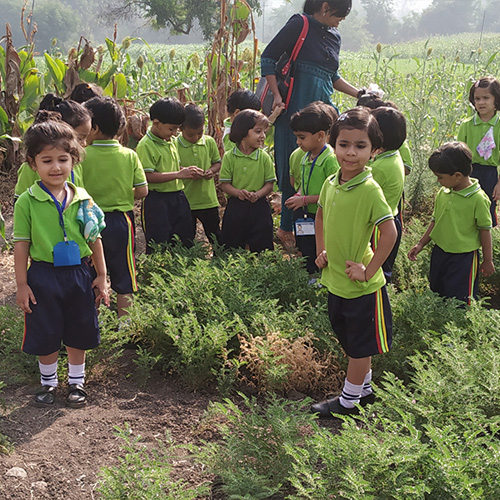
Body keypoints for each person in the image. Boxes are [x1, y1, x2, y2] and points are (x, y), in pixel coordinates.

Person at [13, 120, 109, 408]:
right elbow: (21, 246)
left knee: (80, 326)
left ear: (73, 160)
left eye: (63, 160)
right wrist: (21, 284)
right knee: (46, 328)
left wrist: (102, 275)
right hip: (42, 275)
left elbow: (95, 239)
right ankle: (49, 383)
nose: (56, 167)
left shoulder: (83, 199)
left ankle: (77, 382)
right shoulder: (26, 203)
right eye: (47, 160)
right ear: (33, 164)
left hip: (80, 272)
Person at [311, 107, 397, 418]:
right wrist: (321, 249)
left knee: (360, 347)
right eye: (344, 144)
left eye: (360, 146)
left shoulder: (370, 191)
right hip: (336, 279)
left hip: (363, 288)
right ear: (333, 146)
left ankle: (349, 402)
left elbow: (390, 232)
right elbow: (321, 214)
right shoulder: (332, 181)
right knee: (350, 339)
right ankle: (366, 390)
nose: (350, 153)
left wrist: (369, 270)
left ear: (374, 152)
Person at [261, 0, 361, 246]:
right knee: (290, 171)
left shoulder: (334, 37)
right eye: (339, 15)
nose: (341, 21)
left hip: (323, 115)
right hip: (293, 112)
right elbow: (268, 58)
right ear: (325, 7)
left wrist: (359, 94)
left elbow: (332, 76)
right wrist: (276, 94)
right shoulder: (300, 25)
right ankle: (287, 229)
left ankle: (318, 231)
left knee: (324, 169)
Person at [82, 96, 148, 317]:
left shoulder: (80, 156)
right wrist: (121, 194)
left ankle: (93, 322)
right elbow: (142, 191)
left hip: (87, 222)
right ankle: (126, 327)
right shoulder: (129, 155)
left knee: (90, 272)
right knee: (124, 273)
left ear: (94, 127)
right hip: (121, 221)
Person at [408, 142, 494, 304]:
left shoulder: (478, 199)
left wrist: (488, 260)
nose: (438, 181)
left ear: (457, 176)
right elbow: (435, 221)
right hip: (440, 252)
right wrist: (420, 244)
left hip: (464, 259)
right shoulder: (443, 193)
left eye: (440, 177)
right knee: (437, 292)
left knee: (461, 300)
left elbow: (485, 230)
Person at [137, 97, 204, 253]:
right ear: (156, 123)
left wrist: (186, 170)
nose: (174, 134)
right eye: (172, 129)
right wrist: (179, 174)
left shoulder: (170, 141)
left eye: (177, 129)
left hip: (177, 197)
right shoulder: (146, 145)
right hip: (156, 200)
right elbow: (147, 176)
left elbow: (169, 167)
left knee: (184, 237)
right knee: (158, 241)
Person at [285, 101, 339, 274]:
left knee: (320, 248)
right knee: (306, 247)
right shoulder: (305, 157)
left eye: (302, 137)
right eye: (297, 137)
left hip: (321, 216)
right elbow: (303, 184)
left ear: (320, 135)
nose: (298, 142)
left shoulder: (330, 160)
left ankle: (320, 279)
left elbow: (333, 193)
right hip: (306, 213)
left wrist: (304, 199)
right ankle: (309, 276)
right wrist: (299, 195)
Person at [15, 96, 92, 200]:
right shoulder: (30, 168)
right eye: (80, 138)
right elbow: (20, 200)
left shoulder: (76, 166)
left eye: (63, 160)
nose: (84, 143)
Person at [220, 110, 276, 252]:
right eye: (258, 131)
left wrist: (257, 194)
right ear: (243, 132)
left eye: (264, 132)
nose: (263, 136)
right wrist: (238, 193)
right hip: (236, 206)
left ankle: (261, 270)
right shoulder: (229, 157)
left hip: (259, 206)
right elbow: (225, 184)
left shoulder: (264, 157)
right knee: (231, 243)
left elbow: (269, 184)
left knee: (262, 244)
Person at [176, 103, 222, 245]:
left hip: (208, 199)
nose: (196, 137)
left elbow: (217, 163)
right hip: (185, 200)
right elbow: (172, 166)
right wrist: (185, 171)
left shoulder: (209, 142)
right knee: (186, 236)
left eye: (200, 133)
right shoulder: (174, 143)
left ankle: (220, 260)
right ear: (180, 128)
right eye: (190, 134)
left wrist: (211, 171)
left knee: (214, 234)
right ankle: (187, 262)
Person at [370, 106, 406, 283]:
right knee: (384, 268)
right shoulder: (394, 156)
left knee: (374, 270)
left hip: (379, 228)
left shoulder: (379, 168)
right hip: (391, 219)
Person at [457, 76, 500, 225]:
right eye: (477, 98)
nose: (481, 102)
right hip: (469, 172)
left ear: (496, 100)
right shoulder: (467, 125)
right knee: (466, 209)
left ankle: (487, 245)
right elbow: (459, 155)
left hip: (490, 174)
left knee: (487, 209)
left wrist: (499, 184)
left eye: (486, 98)